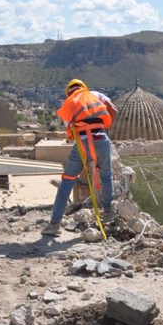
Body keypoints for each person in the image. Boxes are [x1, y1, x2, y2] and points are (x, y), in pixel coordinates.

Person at [41, 79, 118, 237]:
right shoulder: (96, 95)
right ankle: (109, 211)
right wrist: (103, 127)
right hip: (102, 139)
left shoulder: (68, 103)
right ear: (84, 87)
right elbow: (114, 111)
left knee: (67, 182)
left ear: (69, 93)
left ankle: (54, 224)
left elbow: (70, 129)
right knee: (106, 175)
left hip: (82, 144)